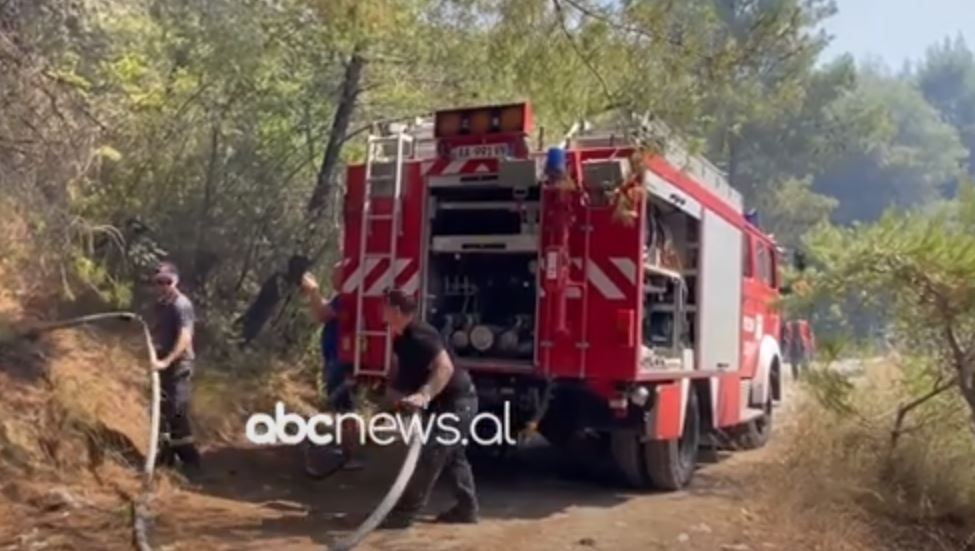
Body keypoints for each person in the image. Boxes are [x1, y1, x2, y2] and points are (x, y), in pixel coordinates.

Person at [379, 288, 480, 529]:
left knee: (431, 454)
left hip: (459, 402)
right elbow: (399, 385)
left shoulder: (420, 333)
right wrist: (383, 414)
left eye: (384, 307)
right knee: (454, 456)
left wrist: (424, 395)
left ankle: (404, 514)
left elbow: (444, 368)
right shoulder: (402, 341)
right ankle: (467, 509)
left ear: (395, 311)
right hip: (447, 403)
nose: (380, 311)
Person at [299, 265, 362, 474]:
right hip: (338, 360)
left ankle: (349, 455)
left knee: (343, 407)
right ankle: (348, 453)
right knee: (344, 407)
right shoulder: (344, 297)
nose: (331, 278)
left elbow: (324, 315)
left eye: (335, 275)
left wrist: (313, 291)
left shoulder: (346, 298)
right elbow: (326, 309)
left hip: (341, 361)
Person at [148, 261, 202, 473]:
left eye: (167, 281)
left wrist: (167, 360)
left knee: (177, 411)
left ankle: (190, 462)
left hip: (179, 365)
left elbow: (185, 337)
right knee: (161, 410)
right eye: (158, 282)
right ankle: (165, 458)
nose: (163, 285)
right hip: (162, 364)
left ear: (175, 281)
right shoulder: (161, 305)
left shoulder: (182, 305)